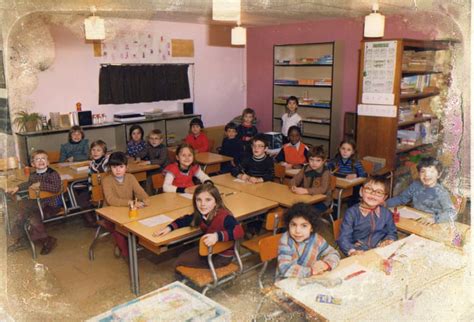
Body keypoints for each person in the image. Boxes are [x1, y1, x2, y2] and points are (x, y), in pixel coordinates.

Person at [153, 183, 244, 269]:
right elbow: (185, 220)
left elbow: (239, 231)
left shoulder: (224, 216)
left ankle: (186, 284)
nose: (202, 204)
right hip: (211, 250)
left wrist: (217, 236)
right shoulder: (201, 215)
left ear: (216, 201)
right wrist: (169, 228)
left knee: (178, 262)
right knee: (183, 255)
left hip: (222, 256)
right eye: (198, 200)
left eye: (208, 200)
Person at [7, 150, 61, 255]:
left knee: (33, 219)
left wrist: (40, 185)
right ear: (33, 164)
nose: (41, 161)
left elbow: (56, 187)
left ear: (48, 162)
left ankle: (47, 241)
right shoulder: (33, 174)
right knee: (20, 216)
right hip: (36, 204)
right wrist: (17, 187)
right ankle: (22, 240)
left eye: (43, 159)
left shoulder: (52, 174)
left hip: (51, 205)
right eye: (37, 159)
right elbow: (28, 184)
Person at [102, 151, 149, 258]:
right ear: (110, 168)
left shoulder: (130, 177)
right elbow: (111, 200)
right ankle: (127, 255)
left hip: (127, 211)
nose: (118, 170)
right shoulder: (107, 180)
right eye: (114, 167)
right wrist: (130, 202)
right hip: (110, 214)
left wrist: (145, 201)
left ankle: (129, 246)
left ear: (126, 167)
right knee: (119, 230)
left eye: (121, 166)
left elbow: (142, 193)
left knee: (138, 225)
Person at [337, 175, 398, 256]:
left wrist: (388, 240)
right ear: (361, 192)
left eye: (379, 192)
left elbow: (392, 232)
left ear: (384, 198)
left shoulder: (386, 213)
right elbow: (343, 238)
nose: (373, 194)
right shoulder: (352, 213)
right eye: (369, 189)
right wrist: (352, 251)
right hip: (359, 252)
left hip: (380, 250)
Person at [277, 203, 340, 279]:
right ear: (288, 225)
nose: (297, 231)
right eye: (293, 225)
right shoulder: (285, 240)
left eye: (304, 226)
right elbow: (285, 268)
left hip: (309, 279)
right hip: (286, 281)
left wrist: (325, 264)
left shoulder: (317, 239)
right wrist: (311, 271)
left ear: (312, 228)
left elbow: (333, 253)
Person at [386, 157, 456, 223]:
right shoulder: (415, 185)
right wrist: (385, 203)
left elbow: (451, 213)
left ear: (439, 175)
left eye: (431, 171)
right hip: (416, 219)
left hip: (433, 222)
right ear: (419, 174)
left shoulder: (441, 193)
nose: (427, 175)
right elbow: (402, 198)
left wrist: (434, 219)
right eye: (423, 171)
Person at [290, 145, 331, 213]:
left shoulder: (325, 171)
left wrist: (306, 191)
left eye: (318, 160)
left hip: (322, 201)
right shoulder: (305, 168)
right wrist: (293, 186)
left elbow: (323, 189)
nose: (314, 163)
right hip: (307, 198)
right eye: (311, 159)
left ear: (323, 161)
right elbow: (294, 179)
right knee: (294, 208)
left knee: (307, 213)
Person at [327, 139, 367, 206]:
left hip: (351, 186)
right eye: (343, 149)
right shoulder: (335, 160)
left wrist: (356, 175)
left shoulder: (355, 162)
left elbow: (364, 174)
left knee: (356, 190)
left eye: (348, 150)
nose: (345, 152)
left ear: (353, 152)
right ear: (339, 149)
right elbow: (326, 167)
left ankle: (352, 209)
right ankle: (334, 210)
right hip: (339, 184)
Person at [135, 129, 169, 194]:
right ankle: (142, 194)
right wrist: (138, 157)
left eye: (156, 139)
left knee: (148, 179)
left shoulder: (163, 148)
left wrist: (148, 162)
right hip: (154, 169)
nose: (153, 141)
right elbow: (142, 152)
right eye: (151, 138)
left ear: (161, 140)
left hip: (163, 170)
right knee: (141, 177)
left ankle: (149, 197)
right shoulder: (149, 147)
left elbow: (161, 161)